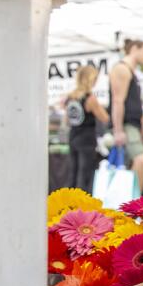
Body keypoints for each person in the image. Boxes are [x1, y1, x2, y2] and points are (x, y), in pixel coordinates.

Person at [109, 38, 143, 193]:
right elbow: (117, 101)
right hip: (126, 125)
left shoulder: (130, 72)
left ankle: (133, 199)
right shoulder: (122, 69)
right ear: (134, 48)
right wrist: (118, 130)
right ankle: (133, 201)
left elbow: (135, 105)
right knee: (141, 158)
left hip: (132, 125)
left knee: (138, 160)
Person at [63, 65, 109, 193]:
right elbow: (104, 118)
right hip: (87, 139)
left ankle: (69, 204)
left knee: (73, 173)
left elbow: (67, 120)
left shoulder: (70, 97)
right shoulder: (90, 98)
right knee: (85, 175)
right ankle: (82, 206)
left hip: (73, 137)